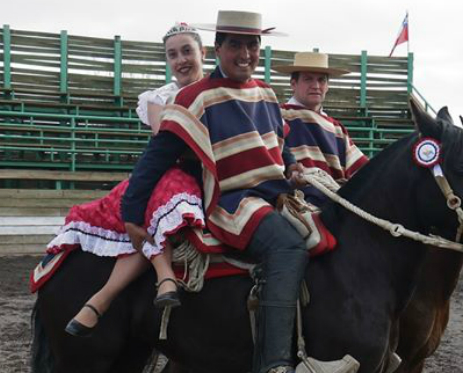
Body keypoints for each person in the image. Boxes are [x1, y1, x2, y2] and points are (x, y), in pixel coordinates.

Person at [121, 10, 308, 373]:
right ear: (218, 48)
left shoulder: (267, 93)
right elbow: (155, 159)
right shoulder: (195, 97)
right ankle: (273, 363)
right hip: (234, 203)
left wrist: (295, 166)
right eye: (235, 44)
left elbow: (278, 146)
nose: (245, 53)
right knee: (287, 246)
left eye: (252, 45)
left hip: (279, 197)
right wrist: (132, 213)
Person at [57, 23, 207, 337]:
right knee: (148, 214)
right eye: (172, 54)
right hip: (173, 172)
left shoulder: (216, 91)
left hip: (209, 173)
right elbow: (165, 137)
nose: (180, 60)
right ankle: (159, 276)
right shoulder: (160, 97)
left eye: (186, 51)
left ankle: (101, 301)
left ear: (202, 53)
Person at [274, 51, 368, 206]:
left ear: (327, 86)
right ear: (293, 84)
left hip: (338, 204)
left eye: (321, 80)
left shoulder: (337, 128)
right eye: (308, 79)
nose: (316, 86)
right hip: (293, 203)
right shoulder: (278, 116)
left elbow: (362, 171)